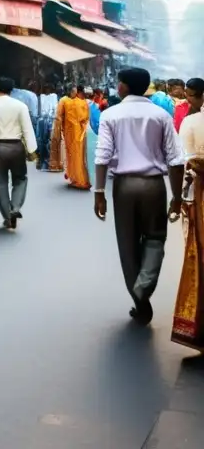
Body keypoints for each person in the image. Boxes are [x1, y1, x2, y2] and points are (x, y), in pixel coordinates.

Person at [94, 67, 184, 326]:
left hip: (124, 186)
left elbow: (102, 157)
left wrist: (99, 193)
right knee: (156, 238)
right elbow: (176, 160)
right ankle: (145, 286)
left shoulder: (110, 114)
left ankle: (139, 299)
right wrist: (176, 197)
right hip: (154, 186)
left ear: (122, 86)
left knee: (128, 243)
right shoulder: (161, 116)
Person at [174, 77, 204, 348]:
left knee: (197, 251)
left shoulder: (192, 123)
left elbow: (186, 163)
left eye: (192, 96)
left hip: (200, 196)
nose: (188, 101)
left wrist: (180, 199)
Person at [0, 77, 37, 230]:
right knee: (20, 179)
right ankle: (15, 207)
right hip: (16, 147)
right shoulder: (20, 106)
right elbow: (27, 129)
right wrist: (32, 150)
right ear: (12, 89)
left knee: (0, 183)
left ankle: (7, 217)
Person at [53, 84, 90, 189]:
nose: (75, 93)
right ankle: (74, 178)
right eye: (74, 91)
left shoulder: (77, 102)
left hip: (77, 133)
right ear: (70, 92)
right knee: (72, 157)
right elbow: (59, 117)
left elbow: (85, 117)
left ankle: (80, 180)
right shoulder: (67, 101)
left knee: (77, 157)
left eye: (76, 91)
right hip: (70, 133)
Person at [37, 84, 59, 171]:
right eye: (45, 88)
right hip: (43, 121)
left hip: (51, 121)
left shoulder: (53, 97)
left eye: (48, 88)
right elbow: (39, 110)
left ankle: (50, 161)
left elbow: (56, 109)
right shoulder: (41, 97)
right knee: (42, 141)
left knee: (50, 141)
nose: (47, 90)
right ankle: (42, 161)